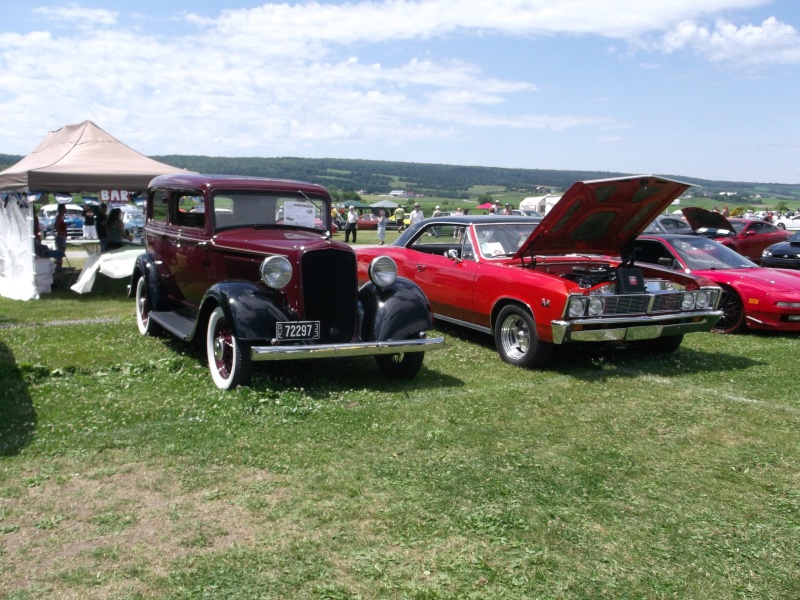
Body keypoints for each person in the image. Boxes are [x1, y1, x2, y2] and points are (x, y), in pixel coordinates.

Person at [53, 203, 68, 269]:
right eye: (64, 208)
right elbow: (56, 225)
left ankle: (59, 267)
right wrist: (60, 232)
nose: (65, 209)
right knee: (60, 253)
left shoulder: (62, 216)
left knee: (61, 253)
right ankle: (58, 267)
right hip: (60, 237)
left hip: (63, 237)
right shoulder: (59, 216)